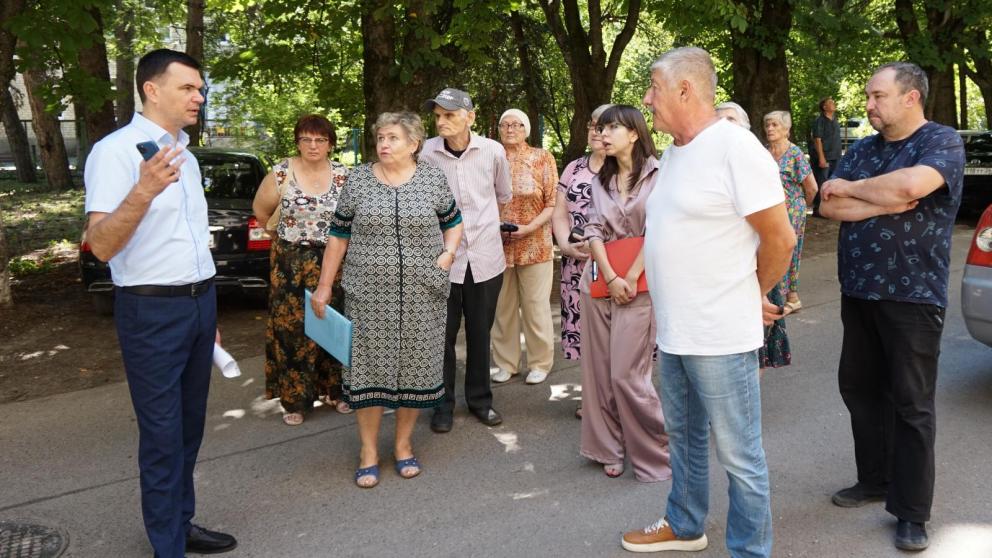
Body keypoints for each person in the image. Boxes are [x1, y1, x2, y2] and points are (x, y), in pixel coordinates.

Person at [624, 47, 795, 557]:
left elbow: (780, 238)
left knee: (740, 455)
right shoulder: (677, 152)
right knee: (685, 438)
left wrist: (752, 292)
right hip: (677, 331)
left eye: (654, 88)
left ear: (685, 90)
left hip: (720, 334)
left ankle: (750, 550)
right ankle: (684, 525)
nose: (647, 98)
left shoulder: (736, 148)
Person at [83, 49, 237, 557]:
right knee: (163, 435)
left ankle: (180, 524)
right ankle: (166, 546)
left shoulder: (185, 155)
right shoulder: (114, 152)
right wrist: (143, 190)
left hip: (198, 304)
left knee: (190, 429)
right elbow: (100, 245)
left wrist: (207, 313)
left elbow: (188, 242)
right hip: (150, 311)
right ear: (151, 90)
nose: (199, 97)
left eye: (200, 89)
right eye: (188, 88)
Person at [819, 62, 964, 552]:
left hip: (913, 293)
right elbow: (828, 205)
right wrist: (881, 202)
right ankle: (875, 480)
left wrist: (855, 189)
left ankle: (911, 512)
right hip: (859, 289)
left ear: (910, 97)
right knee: (861, 390)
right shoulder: (862, 148)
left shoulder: (940, 142)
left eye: (877, 96)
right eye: (867, 96)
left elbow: (908, 188)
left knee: (911, 403)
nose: (868, 105)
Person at [311, 111, 464, 488]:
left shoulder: (431, 178)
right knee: (368, 369)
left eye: (393, 138)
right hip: (368, 294)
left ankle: (403, 444)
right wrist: (325, 285)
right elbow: (338, 235)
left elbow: (453, 222)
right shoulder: (359, 179)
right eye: (380, 138)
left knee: (416, 368)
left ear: (413, 144)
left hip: (423, 292)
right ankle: (368, 450)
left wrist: (446, 256)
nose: (384, 144)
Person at [578, 105, 671, 482]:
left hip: (641, 283)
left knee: (626, 374)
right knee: (599, 373)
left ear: (634, 133)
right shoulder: (599, 180)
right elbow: (593, 230)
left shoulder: (660, 174)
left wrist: (629, 277)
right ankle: (608, 447)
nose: (602, 134)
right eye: (600, 128)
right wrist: (612, 276)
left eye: (611, 127)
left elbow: (660, 229)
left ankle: (655, 452)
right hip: (599, 281)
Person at [419, 88, 512, 433]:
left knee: (479, 333)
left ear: (470, 117)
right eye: (437, 116)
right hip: (442, 260)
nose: (441, 122)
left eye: (449, 115)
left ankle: (480, 401)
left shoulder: (493, 151)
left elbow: (503, 194)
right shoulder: (426, 153)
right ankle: (441, 406)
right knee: (441, 337)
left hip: (485, 257)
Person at [252, 114, 351, 425]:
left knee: (334, 325)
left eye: (320, 140)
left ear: (330, 144)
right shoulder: (281, 173)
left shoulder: (344, 176)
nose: (313, 145)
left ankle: (335, 390)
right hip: (290, 264)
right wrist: (285, 239)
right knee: (292, 331)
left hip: (335, 262)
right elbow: (261, 212)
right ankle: (295, 400)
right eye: (306, 139)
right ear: (297, 142)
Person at [551, 103, 612, 419]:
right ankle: (591, 395)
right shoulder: (574, 167)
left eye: (604, 126)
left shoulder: (634, 167)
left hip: (616, 265)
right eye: (592, 124)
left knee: (617, 331)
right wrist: (564, 243)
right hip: (577, 265)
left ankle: (618, 396)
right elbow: (559, 211)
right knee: (587, 331)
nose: (596, 131)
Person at [719, 109, 791, 371]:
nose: (724, 126)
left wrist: (756, 291)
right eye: (719, 120)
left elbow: (778, 236)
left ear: (746, 127)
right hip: (723, 272)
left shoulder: (755, 160)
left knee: (755, 344)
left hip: (755, 266)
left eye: (730, 119)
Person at [490, 109, 558, 385]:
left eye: (516, 124)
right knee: (502, 308)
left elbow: (552, 203)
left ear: (526, 129)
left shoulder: (542, 157)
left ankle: (540, 363)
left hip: (535, 244)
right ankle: (506, 363)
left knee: (535, 307)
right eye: (504, 124)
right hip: (497, 245)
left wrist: (529, 228)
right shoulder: (492, 157)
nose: (510, 129)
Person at [764, 110, 818, 313]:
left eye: (775, 125)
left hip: (792, 210)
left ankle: (792, 297)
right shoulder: (763, 152)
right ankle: (773, 295)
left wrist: (800, 207)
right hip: (768, 210)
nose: (770, 128)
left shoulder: (795, 153)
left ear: (786, 129)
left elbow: (812, 188)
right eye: (767, 125)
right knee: (769, 250)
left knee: (788, 251)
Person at [809, 96, 841, 212]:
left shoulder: (835, 119)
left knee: (833, 182)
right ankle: (819, 210)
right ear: (824, 107)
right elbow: (817, 140)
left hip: (836, 157)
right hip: (824, 157)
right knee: (822, 183)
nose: (834, 104)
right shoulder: (819, 121)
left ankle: (830, 208)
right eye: (830, 103)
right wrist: (821, 158)